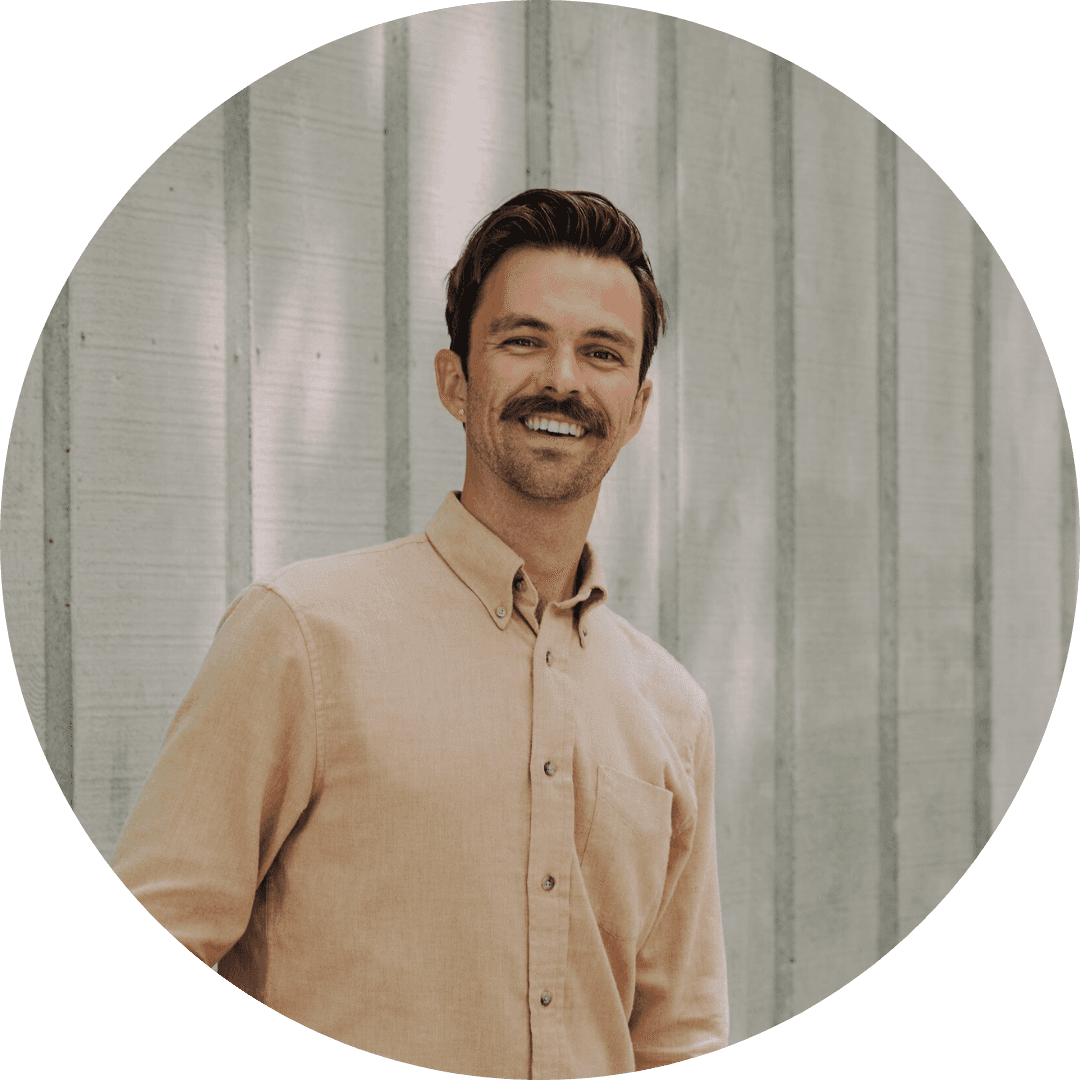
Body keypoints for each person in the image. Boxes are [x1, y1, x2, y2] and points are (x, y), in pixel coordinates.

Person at [112, 189, 728, 1078]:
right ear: (455, 382)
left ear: (635, 408)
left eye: (602, 353)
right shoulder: (301, 636)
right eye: (523, 340)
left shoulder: (673, 710)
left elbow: (677, 1037)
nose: (563, 379)